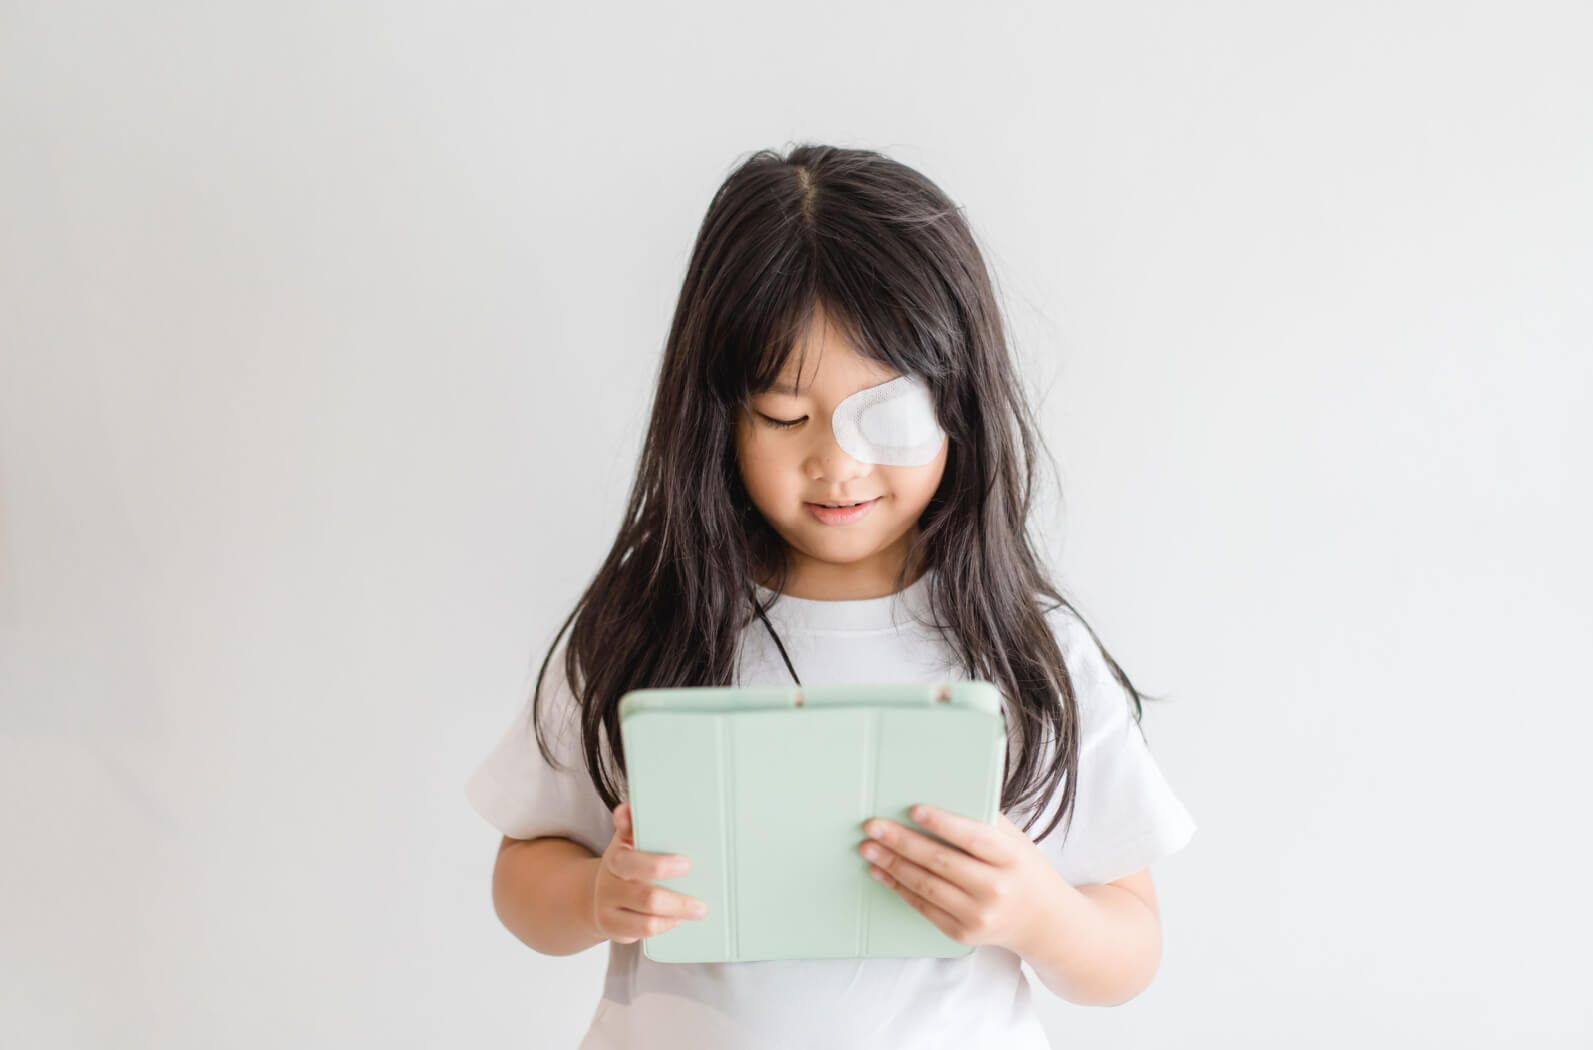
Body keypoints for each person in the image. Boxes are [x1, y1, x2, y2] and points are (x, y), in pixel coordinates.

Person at [464, 143, 1197, 1049]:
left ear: (958, 403)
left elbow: (1130, 945)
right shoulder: (650, 621)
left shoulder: (1023, 647)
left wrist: (1036, 913)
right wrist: (594, 895)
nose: (837, 462)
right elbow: (521, 875)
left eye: (882, 412)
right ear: (717, 414)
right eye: (783, 416)